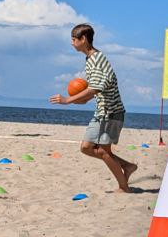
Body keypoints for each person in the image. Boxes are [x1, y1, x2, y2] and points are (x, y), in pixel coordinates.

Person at [49, 23, 136, 193]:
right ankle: (127, 166)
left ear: (83, 39)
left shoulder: (97, 58)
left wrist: (68, 100)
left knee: (103, 151)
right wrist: (83, 100)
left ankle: (124, 187)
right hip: (103, 112)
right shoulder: (90, 59)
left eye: (74, 39)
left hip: (111, 112)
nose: (72, 43)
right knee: (86, 147)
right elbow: (98, 87)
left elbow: (95, 88)